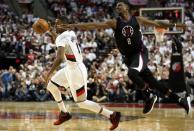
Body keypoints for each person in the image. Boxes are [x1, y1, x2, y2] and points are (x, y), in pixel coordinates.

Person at [55, 0, 191, 114]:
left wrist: (175, 25)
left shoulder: (137, 19)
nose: (117, 6)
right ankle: (180, 100)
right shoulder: (114, 23)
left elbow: (157, 24)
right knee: (156, 83)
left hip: (140, 53)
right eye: (116, 5)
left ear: (127, 7)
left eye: (120, 4)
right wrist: (74, 25)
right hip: (129, 58)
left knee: (132, 73)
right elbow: (94, 25)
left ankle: (149, 95)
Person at [42, 28, 121, 130]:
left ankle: (112, 115)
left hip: (76, 71)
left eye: (57, 24)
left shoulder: (62, 38)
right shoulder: (70, 32)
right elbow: (60, 38)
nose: (55, 26)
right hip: (70, 68)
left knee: (81, 103)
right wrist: (51, 31)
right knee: (52, 86)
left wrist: (49, 73)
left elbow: (60, 57)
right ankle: (64, 113)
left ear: (63, 25)